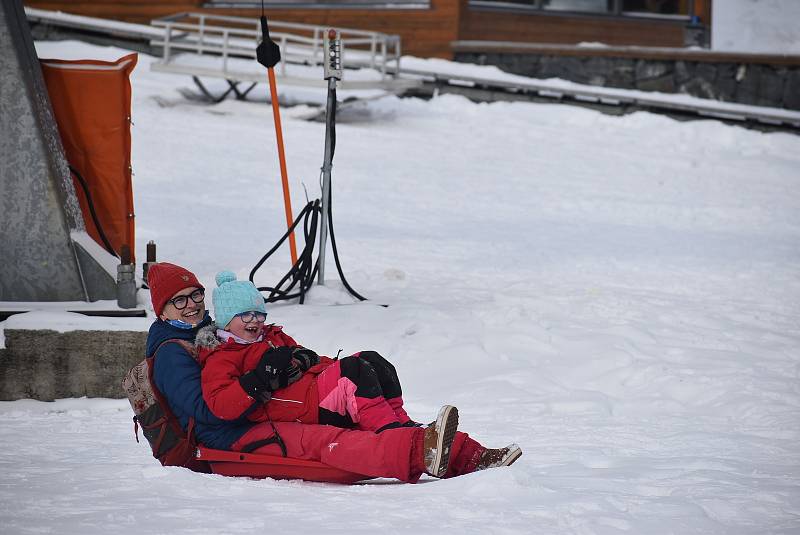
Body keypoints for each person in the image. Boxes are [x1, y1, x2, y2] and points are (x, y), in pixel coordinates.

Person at [145, 262, 521, 483]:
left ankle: (467, 455)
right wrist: (262, 381)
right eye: (179, 301)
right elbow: (210, 410)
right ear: (162, 310)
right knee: (327, 439)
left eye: (195, 295)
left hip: (274, 406)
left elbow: (280, 357)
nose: (192, 305)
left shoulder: (222, 332)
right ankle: (420, 449)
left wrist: (308, 362)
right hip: (229, 436)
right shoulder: (174, 354)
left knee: (366, 376)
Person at [197, 271, 423, 434]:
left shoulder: (272, 336)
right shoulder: (221, 356)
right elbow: (221, 405)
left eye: (259, 314)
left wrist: (309, 359)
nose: (255, 320)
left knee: (371, 360)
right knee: (355, 371)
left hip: (315, 390)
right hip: (302, 407)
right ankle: (389, 431)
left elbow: (305, 356)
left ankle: (401, 421)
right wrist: (259, 378)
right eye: (246, 315)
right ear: (226, 322)